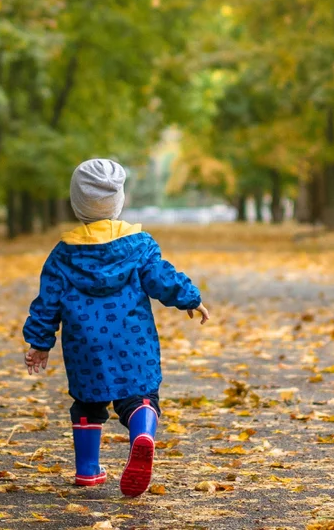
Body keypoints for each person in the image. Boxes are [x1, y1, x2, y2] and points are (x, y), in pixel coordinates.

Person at [21, 159, 211, 497]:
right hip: (133, 342)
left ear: (76, 204)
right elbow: (161, 278)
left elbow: (47, 302)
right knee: (139, 396)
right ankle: (142, 432)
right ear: (118, 200)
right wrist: (190, 299)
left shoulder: (63, 254)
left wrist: (39, 343)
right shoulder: (138, 245)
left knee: (87, 404)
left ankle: (88, 470)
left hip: (85, 348)